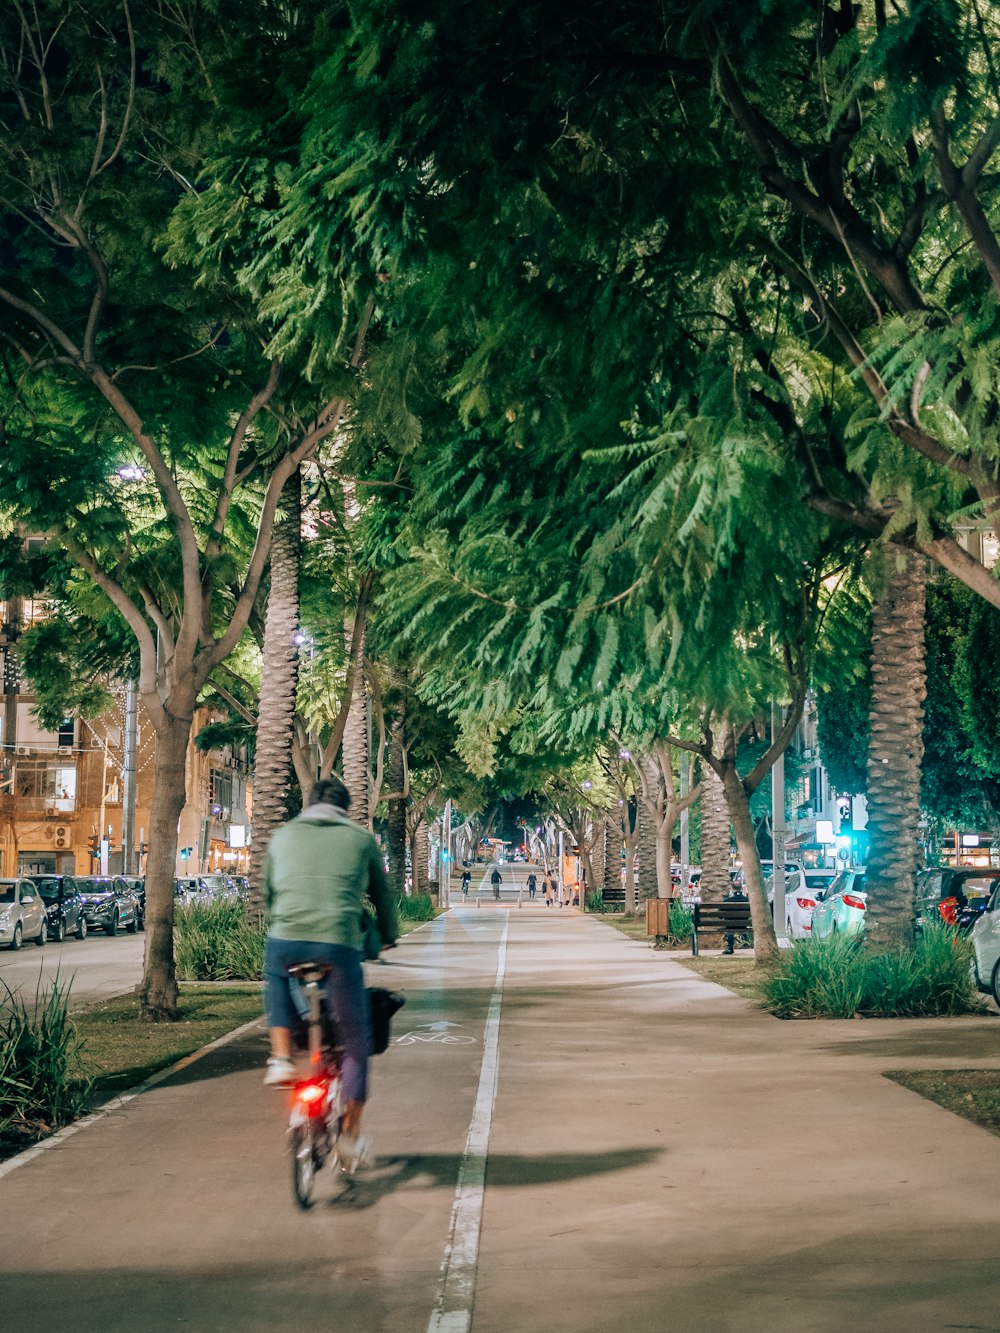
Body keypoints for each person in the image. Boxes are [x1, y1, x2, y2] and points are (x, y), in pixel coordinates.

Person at [262, 775, 398, 1169]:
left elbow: (269, 894)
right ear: (345, 808)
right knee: (356, 1041)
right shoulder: (359, 839)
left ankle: (282, 1058)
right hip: (339, 946)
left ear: (308, 804)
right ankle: (350, 1137)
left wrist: (284, 921)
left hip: (286, 941)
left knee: (275, 975)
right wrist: (388, 936)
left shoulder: (282, 836)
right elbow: (383, 896)